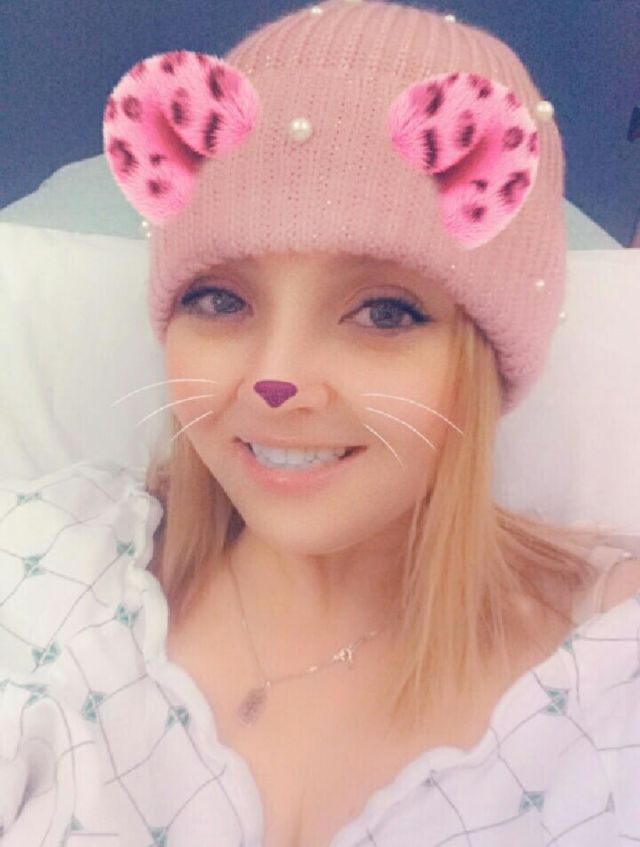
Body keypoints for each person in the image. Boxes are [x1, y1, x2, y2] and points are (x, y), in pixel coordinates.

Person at [1, 1, 639, 845]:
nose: (278, 380)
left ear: (485, 358)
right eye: (219, 299)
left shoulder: (612, 677)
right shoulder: (45, 577)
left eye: (384, 311)